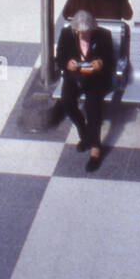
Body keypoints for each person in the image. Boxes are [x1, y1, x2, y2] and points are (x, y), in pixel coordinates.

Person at [55, 11, 114, 172]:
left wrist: (100, 63)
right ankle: (84, 130)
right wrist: (68, 64)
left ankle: (95, 147)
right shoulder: (67, 35)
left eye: (87, 32)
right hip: (75, 76)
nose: (84, 35)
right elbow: (59, 58)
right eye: (81, 32)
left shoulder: (103, 35)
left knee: (93, 106)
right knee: (67, 101)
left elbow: (110, 60)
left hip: (95, 78)